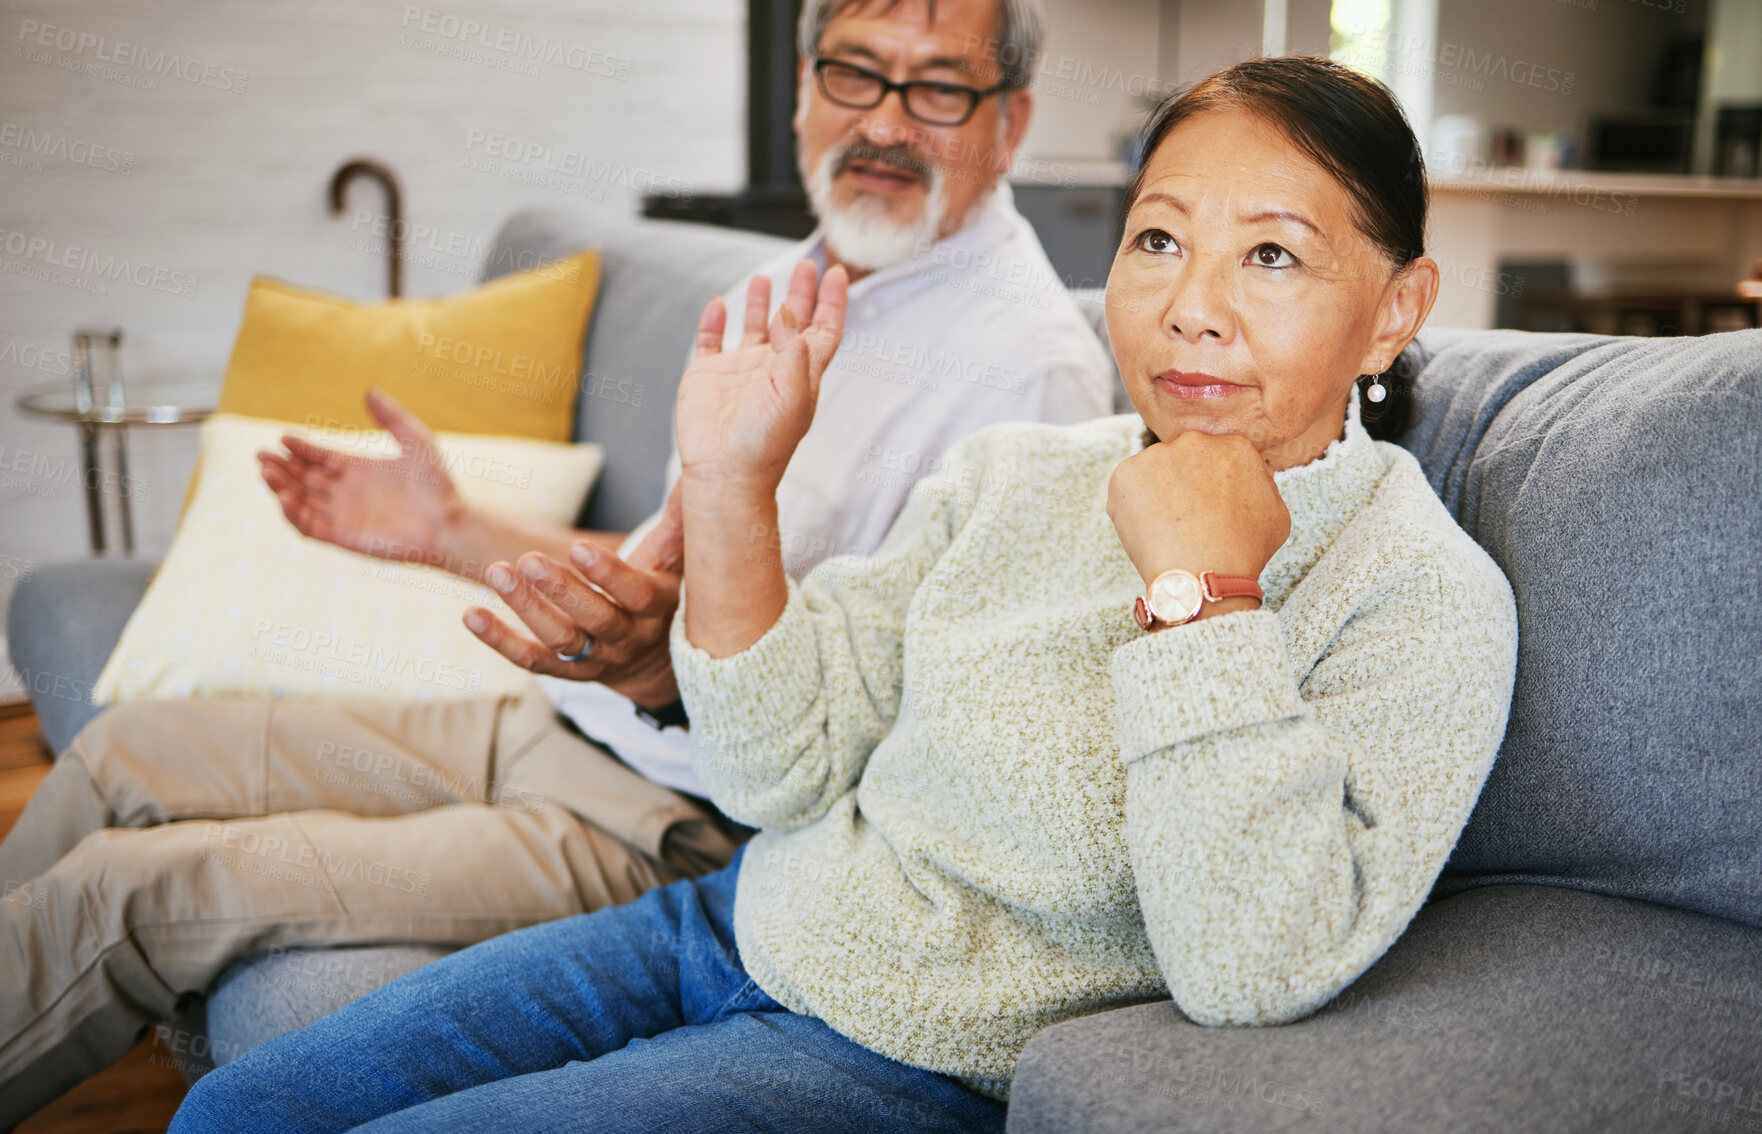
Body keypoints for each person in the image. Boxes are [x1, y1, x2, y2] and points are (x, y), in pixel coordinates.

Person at [169, 54, 1519, 1134]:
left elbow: (1248, 961)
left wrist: (1202, 594)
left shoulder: (1419, 596)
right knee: (244, 1105)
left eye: (1270, 256)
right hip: (725, 922)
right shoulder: (1015, 474)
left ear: (1396, 309)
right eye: (1157, 239)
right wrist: (733, 483)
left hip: (911, 1066)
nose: (1191, 307)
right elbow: (771, 769)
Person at [0, 0, 1114, 1123]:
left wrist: (669, 661)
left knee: (128, 894)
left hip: (674, 820)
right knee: (126, 755)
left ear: (1010, 121)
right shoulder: (787, 292)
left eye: (935, 88)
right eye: (853, 74)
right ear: (801, 88)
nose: (881, 123)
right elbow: (668, 572)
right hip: (552, 717)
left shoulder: (1029, 375)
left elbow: (911, 725)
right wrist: (455, 531)